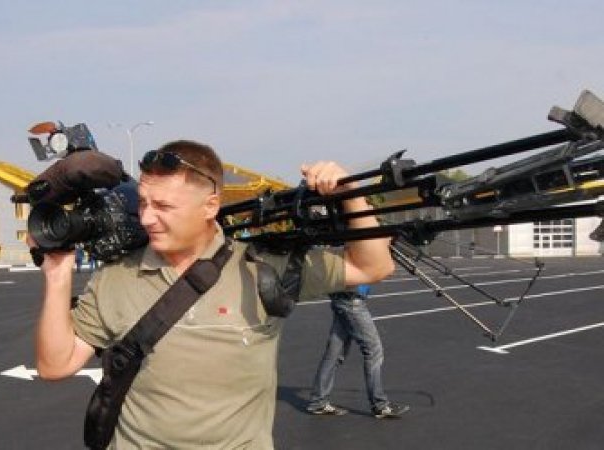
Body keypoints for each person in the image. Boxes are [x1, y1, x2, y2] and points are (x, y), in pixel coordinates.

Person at [30, 140, 394, 449]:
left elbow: (373, 267)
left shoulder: (262, 265)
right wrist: (57, 275)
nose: (147, 218)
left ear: (210, 207)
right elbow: (56, 365)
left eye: (164, 206)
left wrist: (350, 196)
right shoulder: (116, 275)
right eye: (143, 203)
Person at [307, 284, 410, 419]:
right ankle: (380, 405)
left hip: (341, 300)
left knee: (334, 354)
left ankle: (318, 401)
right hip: (351, 301)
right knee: (373, 350)